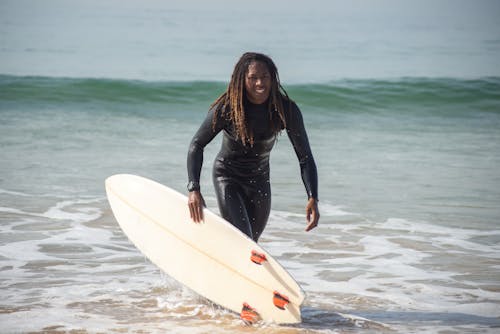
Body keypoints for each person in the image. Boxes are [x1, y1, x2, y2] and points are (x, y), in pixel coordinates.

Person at [187, 52, 319, 242]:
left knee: (251, 243)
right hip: (228, 177)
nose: (260, 83)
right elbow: (197, 144)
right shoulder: (227, 108)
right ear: (242, 80)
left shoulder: (285, 110)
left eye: (265, 77)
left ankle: (227, 263)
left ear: (272, 78)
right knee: (244, 239)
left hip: (259, 180)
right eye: (253, 78)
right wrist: (194, 189)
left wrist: (312, 196)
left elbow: (305, 156)